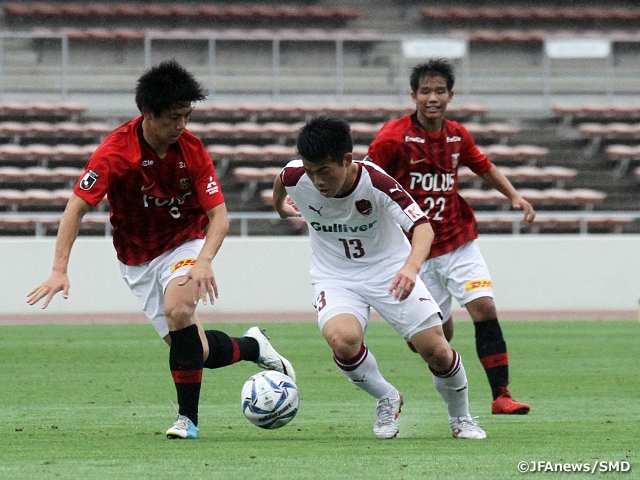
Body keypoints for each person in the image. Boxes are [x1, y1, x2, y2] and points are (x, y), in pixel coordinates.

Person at [26, 60, 295, 439]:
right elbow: (76, 207)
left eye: (186, 115)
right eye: (173, 117)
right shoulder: (115, 153)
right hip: (136, 260)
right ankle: (253, 346)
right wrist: (58, 269)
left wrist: (203, 261)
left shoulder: (192, 150)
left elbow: (219, 216)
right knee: (194, 349)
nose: (181, 125)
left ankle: (188, 420)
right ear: (147, 114)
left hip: (184, 243)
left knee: (179, 309)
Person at [272, 116, 485, 440]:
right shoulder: (296, 175)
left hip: (390, 272)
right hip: (335, 276)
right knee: (343, 341)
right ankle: (387, 397)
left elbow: (423, 227)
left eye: (324, 171)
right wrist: (281, 208)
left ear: (347, 160)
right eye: (310, 171)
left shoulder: (378, 183)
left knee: (436, 351)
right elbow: (282, 181)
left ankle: (462, 418)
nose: (316, 181)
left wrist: (411, 268)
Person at [366, 58, 534, 415]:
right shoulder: (393, 137)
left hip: (459, 240)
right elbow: (367, 176)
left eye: (439, 91)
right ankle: (442, 325)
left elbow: (482, 166)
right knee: (433, 340)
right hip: (416, 252)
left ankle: (501, 395)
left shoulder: (457, 134)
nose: (432, 97)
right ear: (413, 95)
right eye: (425, 91)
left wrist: (514, 195)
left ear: (450, 95)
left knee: (485, 307)